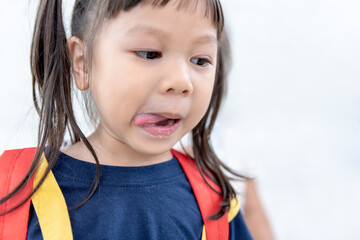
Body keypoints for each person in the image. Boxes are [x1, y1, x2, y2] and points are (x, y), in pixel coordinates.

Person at [0, 0, 253, 239]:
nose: (181, 82)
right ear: (83, 63)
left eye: (200, 60)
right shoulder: (13, 193)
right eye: (149, 53)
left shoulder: (216, 202)